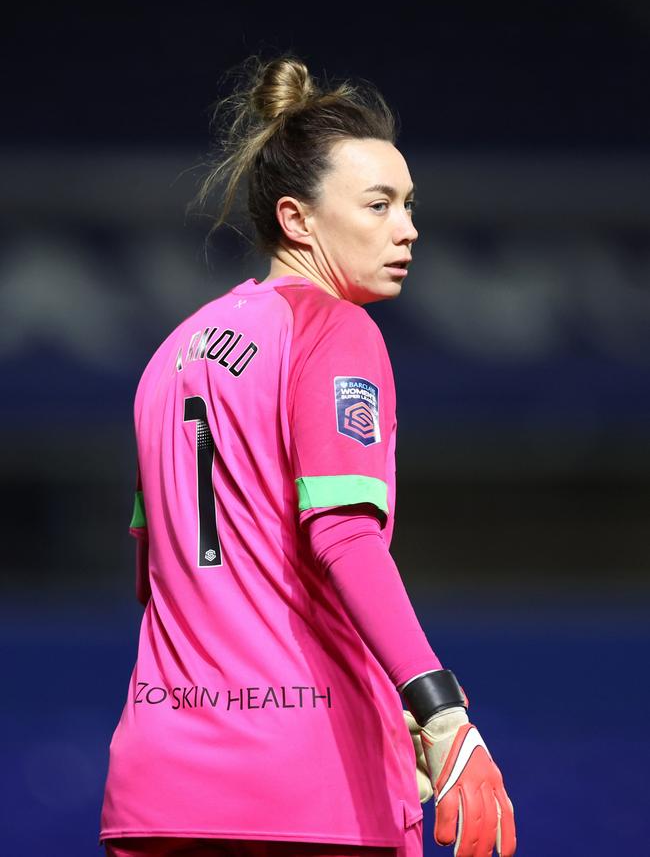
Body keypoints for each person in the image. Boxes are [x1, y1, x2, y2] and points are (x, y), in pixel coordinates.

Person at [99, 55, 516, 857]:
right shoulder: (333, 329)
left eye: (408, 204)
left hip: (159, 785)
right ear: (298, 219)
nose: (408, 227)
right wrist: (439, 708)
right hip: (309, 792)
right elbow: (343, 537)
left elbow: (160, 573)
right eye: (380, 203)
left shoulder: (171, 355)